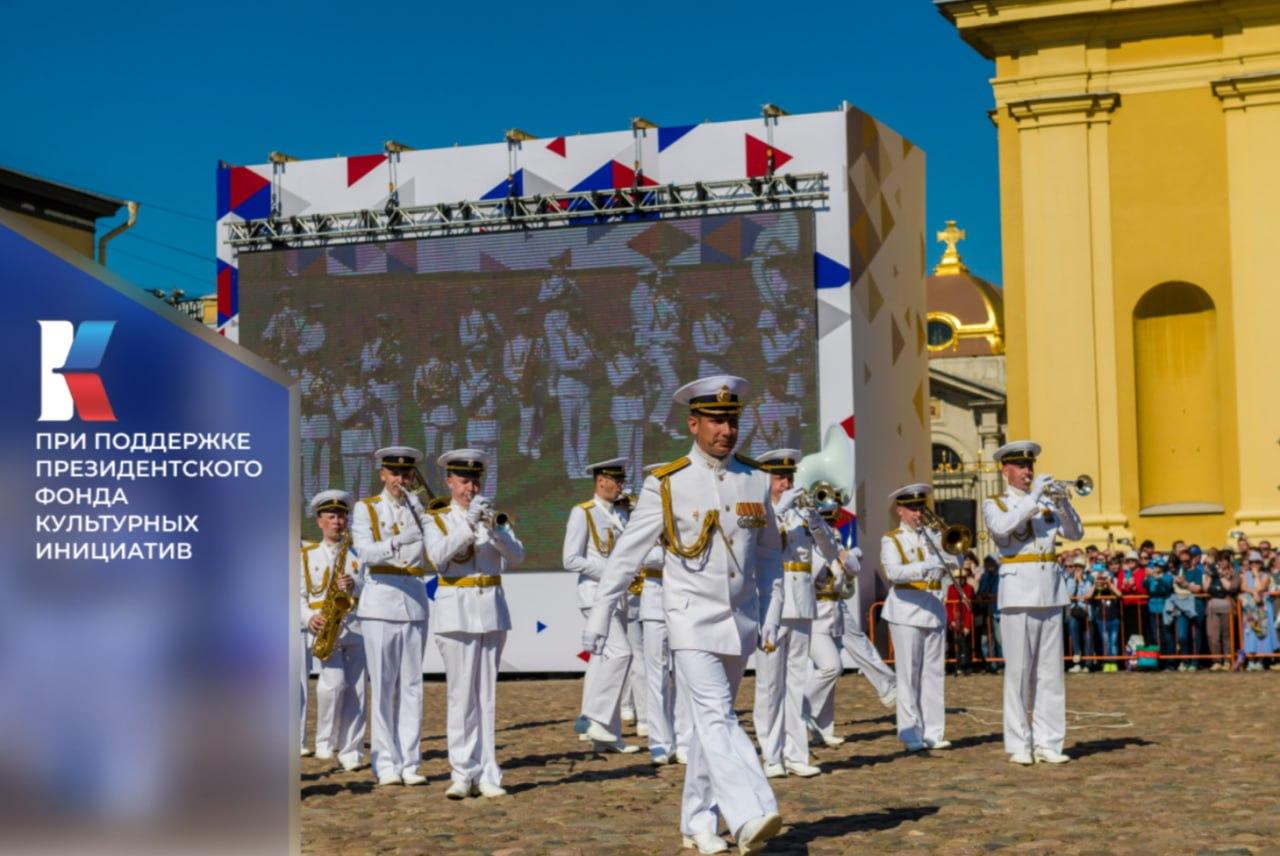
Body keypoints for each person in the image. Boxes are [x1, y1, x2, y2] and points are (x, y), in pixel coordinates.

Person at [584, 375, 785, 856]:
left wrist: (773, 609)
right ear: (693, 424)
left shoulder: (754, 478)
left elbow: (769, 554)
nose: (726, 430)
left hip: (740, 619)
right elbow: (627, 554)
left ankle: (698, 822)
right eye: (716, 420)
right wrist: (599, 614)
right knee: (717, 716)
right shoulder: (667, 482)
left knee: (706, 727)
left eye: (732, 420)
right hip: (689, 617)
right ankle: (751, 812)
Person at [424, 449, 525, 798]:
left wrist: (493, 530)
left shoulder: (492, 516)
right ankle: (462, 772)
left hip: (492, 610)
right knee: (461, 695)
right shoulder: (436, 518)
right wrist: (467, 524)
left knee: (487, 696)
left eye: (475, 480)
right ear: (449, 481)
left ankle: (488, 773)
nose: (471, 487)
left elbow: (517, 555)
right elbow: (437, 558)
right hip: (456, 613)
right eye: (464, 480)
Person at [982, 441, 1082, 766]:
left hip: (1050, 590)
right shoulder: (994, 503)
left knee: (1051, 673)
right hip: (1018, 592)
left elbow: (1075, 533)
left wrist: (1062, 503)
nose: (1028, 472)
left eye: (1030, 467)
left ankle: (1049, 741)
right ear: (1005, 470)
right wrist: (1034, 497)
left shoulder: (1043, 506)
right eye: (1021, 467)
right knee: (1019, 672)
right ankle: (1019, 743)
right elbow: (1001, 528)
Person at [751, 449, 834, 779]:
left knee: (796, 681)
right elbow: (758, 547)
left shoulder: (801, 512)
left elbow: (827, 553)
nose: (785, 484)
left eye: (789, 478)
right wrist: (777, 513)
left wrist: (818, 526)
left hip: (801, 600)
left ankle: (796, 752)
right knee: (770, 683)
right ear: (767, 481)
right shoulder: (760, 512)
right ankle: (771, 754)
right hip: (772, 600)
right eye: (778, 478)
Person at [351, 447, 431, 786]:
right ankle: (385, 762)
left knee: (412, 685)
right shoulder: (365, 508)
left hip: (413, 596)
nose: (401, 480)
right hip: (380, 600)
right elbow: (365, 550)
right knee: (383, 685)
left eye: (407, 474)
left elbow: (428, 549)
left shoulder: (419, 508)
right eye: (394, 474)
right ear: (382, 474)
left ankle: (410, 762)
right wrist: (397, 543)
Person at [565, 458, 639, 753]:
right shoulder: (583, 513)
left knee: (601, 662)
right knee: (622, 654)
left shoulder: (621, 514)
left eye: (622, 480)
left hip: (617, 597)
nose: (620, 485)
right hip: (596, 596)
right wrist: (610, 571)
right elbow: (570, 559)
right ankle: (592, 718)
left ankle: (606, 735)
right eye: (615, 480)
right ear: (600, 481)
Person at [881, 484, 953, 753]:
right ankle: (910, 732)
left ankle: (934, 731)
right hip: (906, 611)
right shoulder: (892, 539)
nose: (918, 513)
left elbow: (953, 560)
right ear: (900, 510)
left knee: (933, 674)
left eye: (921, 507)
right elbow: (894, 572)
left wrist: (946, 563)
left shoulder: (933, 535)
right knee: (909, 675)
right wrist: (925, 568)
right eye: (912, 508)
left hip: (933, 608)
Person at [301, 490, 367, 770]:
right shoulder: (305, 555)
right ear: (319, 522)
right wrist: (307, 618)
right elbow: (297, 595)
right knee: (333, 683)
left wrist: (356, 586)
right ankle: (325, 741)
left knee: (358, 689)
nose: (337, 522)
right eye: (331, 517)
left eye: (341, 516)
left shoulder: (359, 555)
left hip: (355, 625)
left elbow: (372, 589)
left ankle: (351, 749)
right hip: (325, 625)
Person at [633, 471, 692, 766]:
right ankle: (659, 742)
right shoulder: (643, 517)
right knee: (656, 674)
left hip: (682, 601)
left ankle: (684, 739)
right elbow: (641, 556)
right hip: (655, 601)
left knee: (683, 675)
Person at [502, 307, 546, 460]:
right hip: (521, 384)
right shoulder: (511, 344)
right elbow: (506, 367)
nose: (524, 325)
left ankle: (536, 444)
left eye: (527, 322)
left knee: (539, 414)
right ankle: (523, 443)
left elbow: (545, 363)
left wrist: (537, 365)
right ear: (517, 324)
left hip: (537, 383)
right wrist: (517, 380)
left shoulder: (539, 342)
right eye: (521, 322)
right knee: (527, 414)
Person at [413, 335, 460, 463]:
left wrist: (446, 391)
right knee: (431, 452)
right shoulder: (423, 367)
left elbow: (455, 388)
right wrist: (426, 397)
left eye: (440, 346)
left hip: (447, 410)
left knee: (448, 453)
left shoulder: (452, 366)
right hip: (430, 411)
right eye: (435, 346)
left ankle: (447, 481)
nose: (438, 349)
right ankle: (431, 481)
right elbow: (417, 391)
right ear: (431, 348)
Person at [1239, 550, 1277, 670]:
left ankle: (1260, 660)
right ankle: (1251, 660)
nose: (1254, 564)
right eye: (1252, 562)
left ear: (1261, 563)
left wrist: (1256, 575)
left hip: (1262, 608)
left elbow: (1261, 587)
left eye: (1257, 562)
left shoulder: (1266, 576)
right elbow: (1243, 587)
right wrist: (1253, 591)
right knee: (1250, 632)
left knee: (1262, 633)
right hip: (1250, 608)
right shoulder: (1246, 575)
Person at [1086, 560, 1122, 671]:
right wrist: (1095, 583)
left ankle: (1114, 662)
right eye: (1100, 578)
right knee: (1105, 642)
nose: (1102, 581)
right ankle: (1107, 662)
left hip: (1114, 619)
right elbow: (1087, 597)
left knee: (1114, 642)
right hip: (1101, 619)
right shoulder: (1097, 590)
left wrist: (1109, 583)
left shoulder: (1111, 588)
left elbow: (1119, 594)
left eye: (1104, 578)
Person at [1205, 554, 1239, 670]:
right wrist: (1209, 575)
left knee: (1227, 635)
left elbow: (1230, 587)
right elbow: (1205, 588)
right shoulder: (1212, 572)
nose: (1222, 563)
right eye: (1220, 560)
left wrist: (1220, 576)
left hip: (1227, 606)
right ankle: (1216, 660)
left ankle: (1227, 661)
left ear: (1229, 562)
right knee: (1212, 635)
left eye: (1224, 560)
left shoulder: (1233, 573)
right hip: (1212, 607)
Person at [1064, 556, 1093, 673]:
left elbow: (1087, 594)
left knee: (1087, 638)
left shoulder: (1089, 579)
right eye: (1075, 566)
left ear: (1084, 568)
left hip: (1086, 612)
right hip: (1074, 612)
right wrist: (1075, 581)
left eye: (1080, 566)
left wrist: (1081, 581)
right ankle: (1077, 659)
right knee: (1073, 632)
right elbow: (1068, 594)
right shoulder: (1069, 579)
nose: (1077, 569)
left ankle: (1088, 663)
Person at [974, 555, 1002, 672]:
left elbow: (999, 593)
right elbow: (980, 592)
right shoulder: (984, 577)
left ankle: (1000, 663)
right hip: (985, 612)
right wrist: (983, 597)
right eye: (987, 563)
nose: (989, 566)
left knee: (998, 638)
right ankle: (989, 664)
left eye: (991, 563)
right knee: (985, 640)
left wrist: (989, 597)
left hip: (996, 611)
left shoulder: (1000, 577)